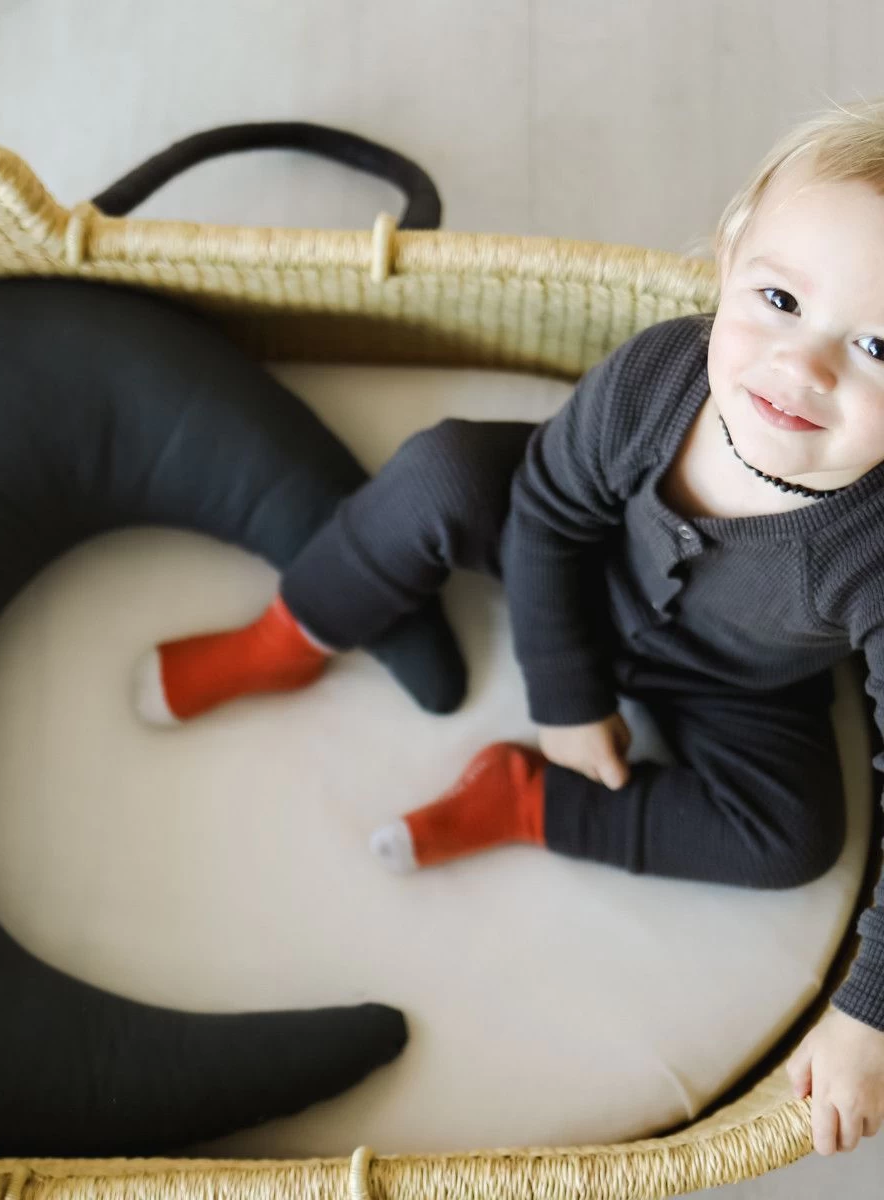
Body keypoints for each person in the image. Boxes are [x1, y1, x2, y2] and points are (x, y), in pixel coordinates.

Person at [132, 98, 884, 1156]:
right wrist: (567, 696)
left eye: (878, 344)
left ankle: (531, 803)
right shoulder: (660, 376)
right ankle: (293, 632)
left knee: (795, 841)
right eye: (779, 298)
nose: (804, 369)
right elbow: (547, 512)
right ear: (727, 258)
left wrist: (867, 1013)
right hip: (571, 558)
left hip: (737, 677)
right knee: (441, 472)